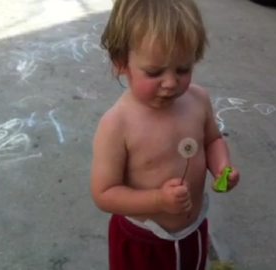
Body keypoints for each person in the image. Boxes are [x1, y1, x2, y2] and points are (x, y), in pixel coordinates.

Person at [90, 0, 240, 269]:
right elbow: (104, 193)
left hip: (193, 228)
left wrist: (222, 167)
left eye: (183, 69)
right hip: (143, 240)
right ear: (121, 62)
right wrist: (157, 200)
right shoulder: (117, 124)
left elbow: (212, 140)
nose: (171, 83)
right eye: (154, 72)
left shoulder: (198, 99)